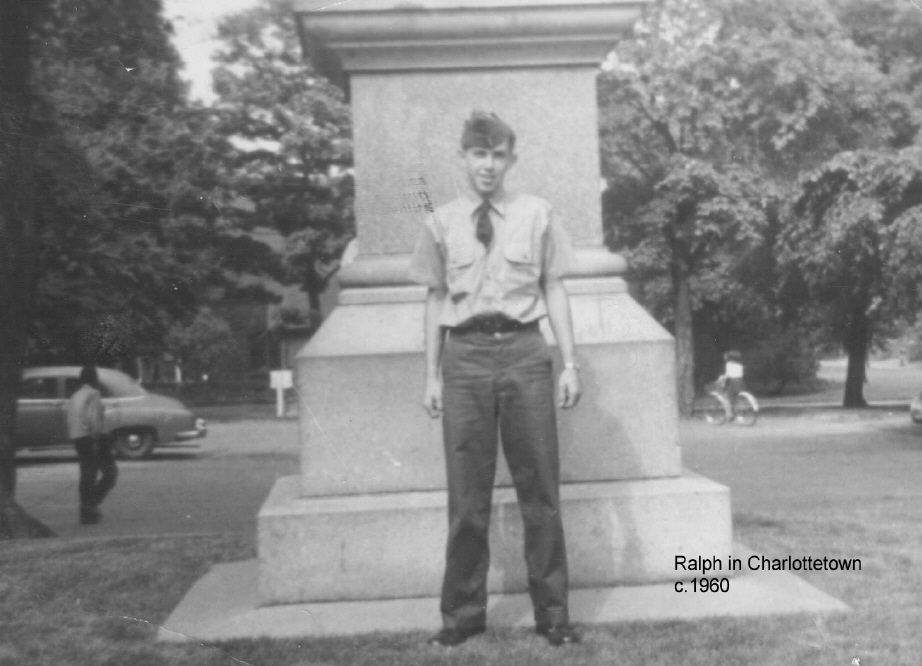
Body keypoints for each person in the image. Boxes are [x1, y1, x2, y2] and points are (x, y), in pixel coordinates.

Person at [409, 111, 582, 647]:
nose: (488, 165)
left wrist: (569, 362)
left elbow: (554, 288)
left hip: (526, 353)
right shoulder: (440, 222)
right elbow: (435, 298)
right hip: (463, 359)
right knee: (467, 498)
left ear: (511, 158)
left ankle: (553, 615)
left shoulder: (538, 214)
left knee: (541, 491)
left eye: (497, 154)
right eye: (478, 154)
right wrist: (431, 376)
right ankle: (461, 617)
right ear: (463, 158)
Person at [66, 366, 117, 525]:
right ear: (95, 379)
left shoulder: (76, 395)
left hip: (77, 436)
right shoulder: (94, 394)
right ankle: (91, 505)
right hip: (93, 435)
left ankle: (86, 512)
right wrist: (95, 437)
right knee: (110, 473)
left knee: (87, 474)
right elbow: (93, 417)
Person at [719, 350, 745, 418]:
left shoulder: (729, 364)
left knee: (725, 398)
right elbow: (740, 375)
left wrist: (721, 378)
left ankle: (729, 415)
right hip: (740, 382)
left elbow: (728, 375)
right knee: (736, 399)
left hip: (732, 382)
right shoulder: (740, 365)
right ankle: (736, 414)